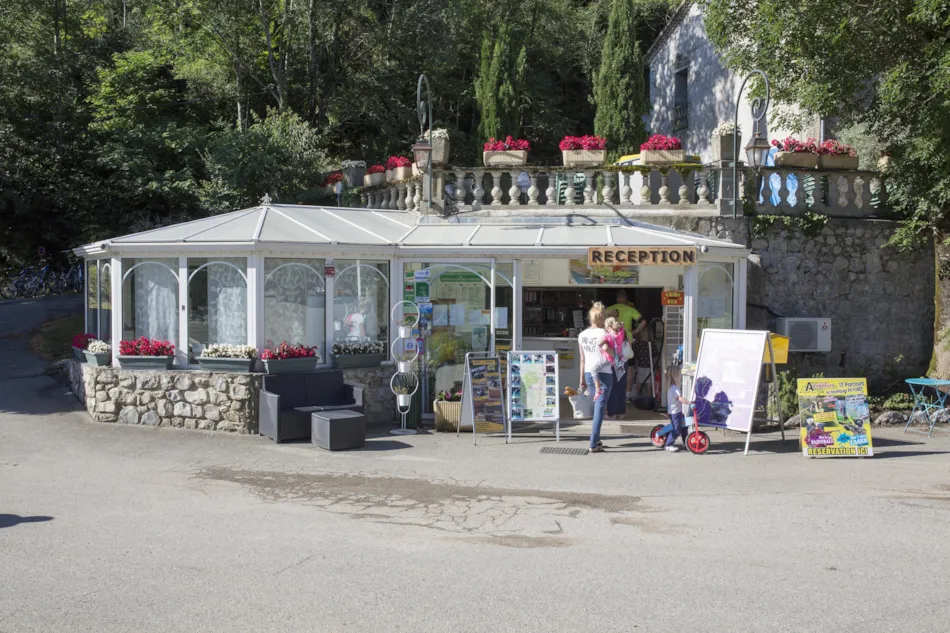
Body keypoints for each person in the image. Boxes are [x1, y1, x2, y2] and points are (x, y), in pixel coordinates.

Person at [578, 302, 614, 454]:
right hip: (604, 374)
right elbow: (609, 351)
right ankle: (593, 443)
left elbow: (582, 359)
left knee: (597, 406)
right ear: (602, 317)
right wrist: (615, 354)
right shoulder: (604, 334)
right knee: (600, 408)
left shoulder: (582, 335)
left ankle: (597, 439)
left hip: (588, 374)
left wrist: (581, 380)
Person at [607, 289, 645, 399]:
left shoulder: (609, 309)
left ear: (617, 298)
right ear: (626, 299)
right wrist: (635, 331)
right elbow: (643, 321)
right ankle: (627, 394)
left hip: (612, 340)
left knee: (611, 366)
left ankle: (612, 393)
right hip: (626, 339)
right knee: (629, 368)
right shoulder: (631, 309)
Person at [604, 314, 628, 420]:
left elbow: (602, 345)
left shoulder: (608, 336)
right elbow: (622, 327)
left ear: (608, 327)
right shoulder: (622, 333)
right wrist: (621, 325)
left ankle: (612, 413)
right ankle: (621, 412)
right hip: (622, 362)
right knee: (621, 387)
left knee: (612, 388)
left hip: (613, 363)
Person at [664, 365, 691, 452]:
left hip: (676, 412)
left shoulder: (671, 388)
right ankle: (668, 444)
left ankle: (686, 442)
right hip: (675, 413)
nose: (681, 376)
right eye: (679, 374)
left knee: (684, 426)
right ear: (675, 376)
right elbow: (679, 398)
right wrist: (689, 402)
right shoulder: (675, 388)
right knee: (676, 429)